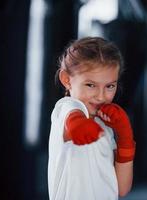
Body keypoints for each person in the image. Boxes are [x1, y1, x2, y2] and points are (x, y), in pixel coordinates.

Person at [48, 37, 136, 200]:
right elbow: (72, 119)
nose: (101, 96)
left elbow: (122, 189)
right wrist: (78, 125)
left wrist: (125, 137)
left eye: (110, 86)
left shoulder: (105, 127)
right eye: (90, 85)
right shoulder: (66, 108)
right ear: (66, 80)